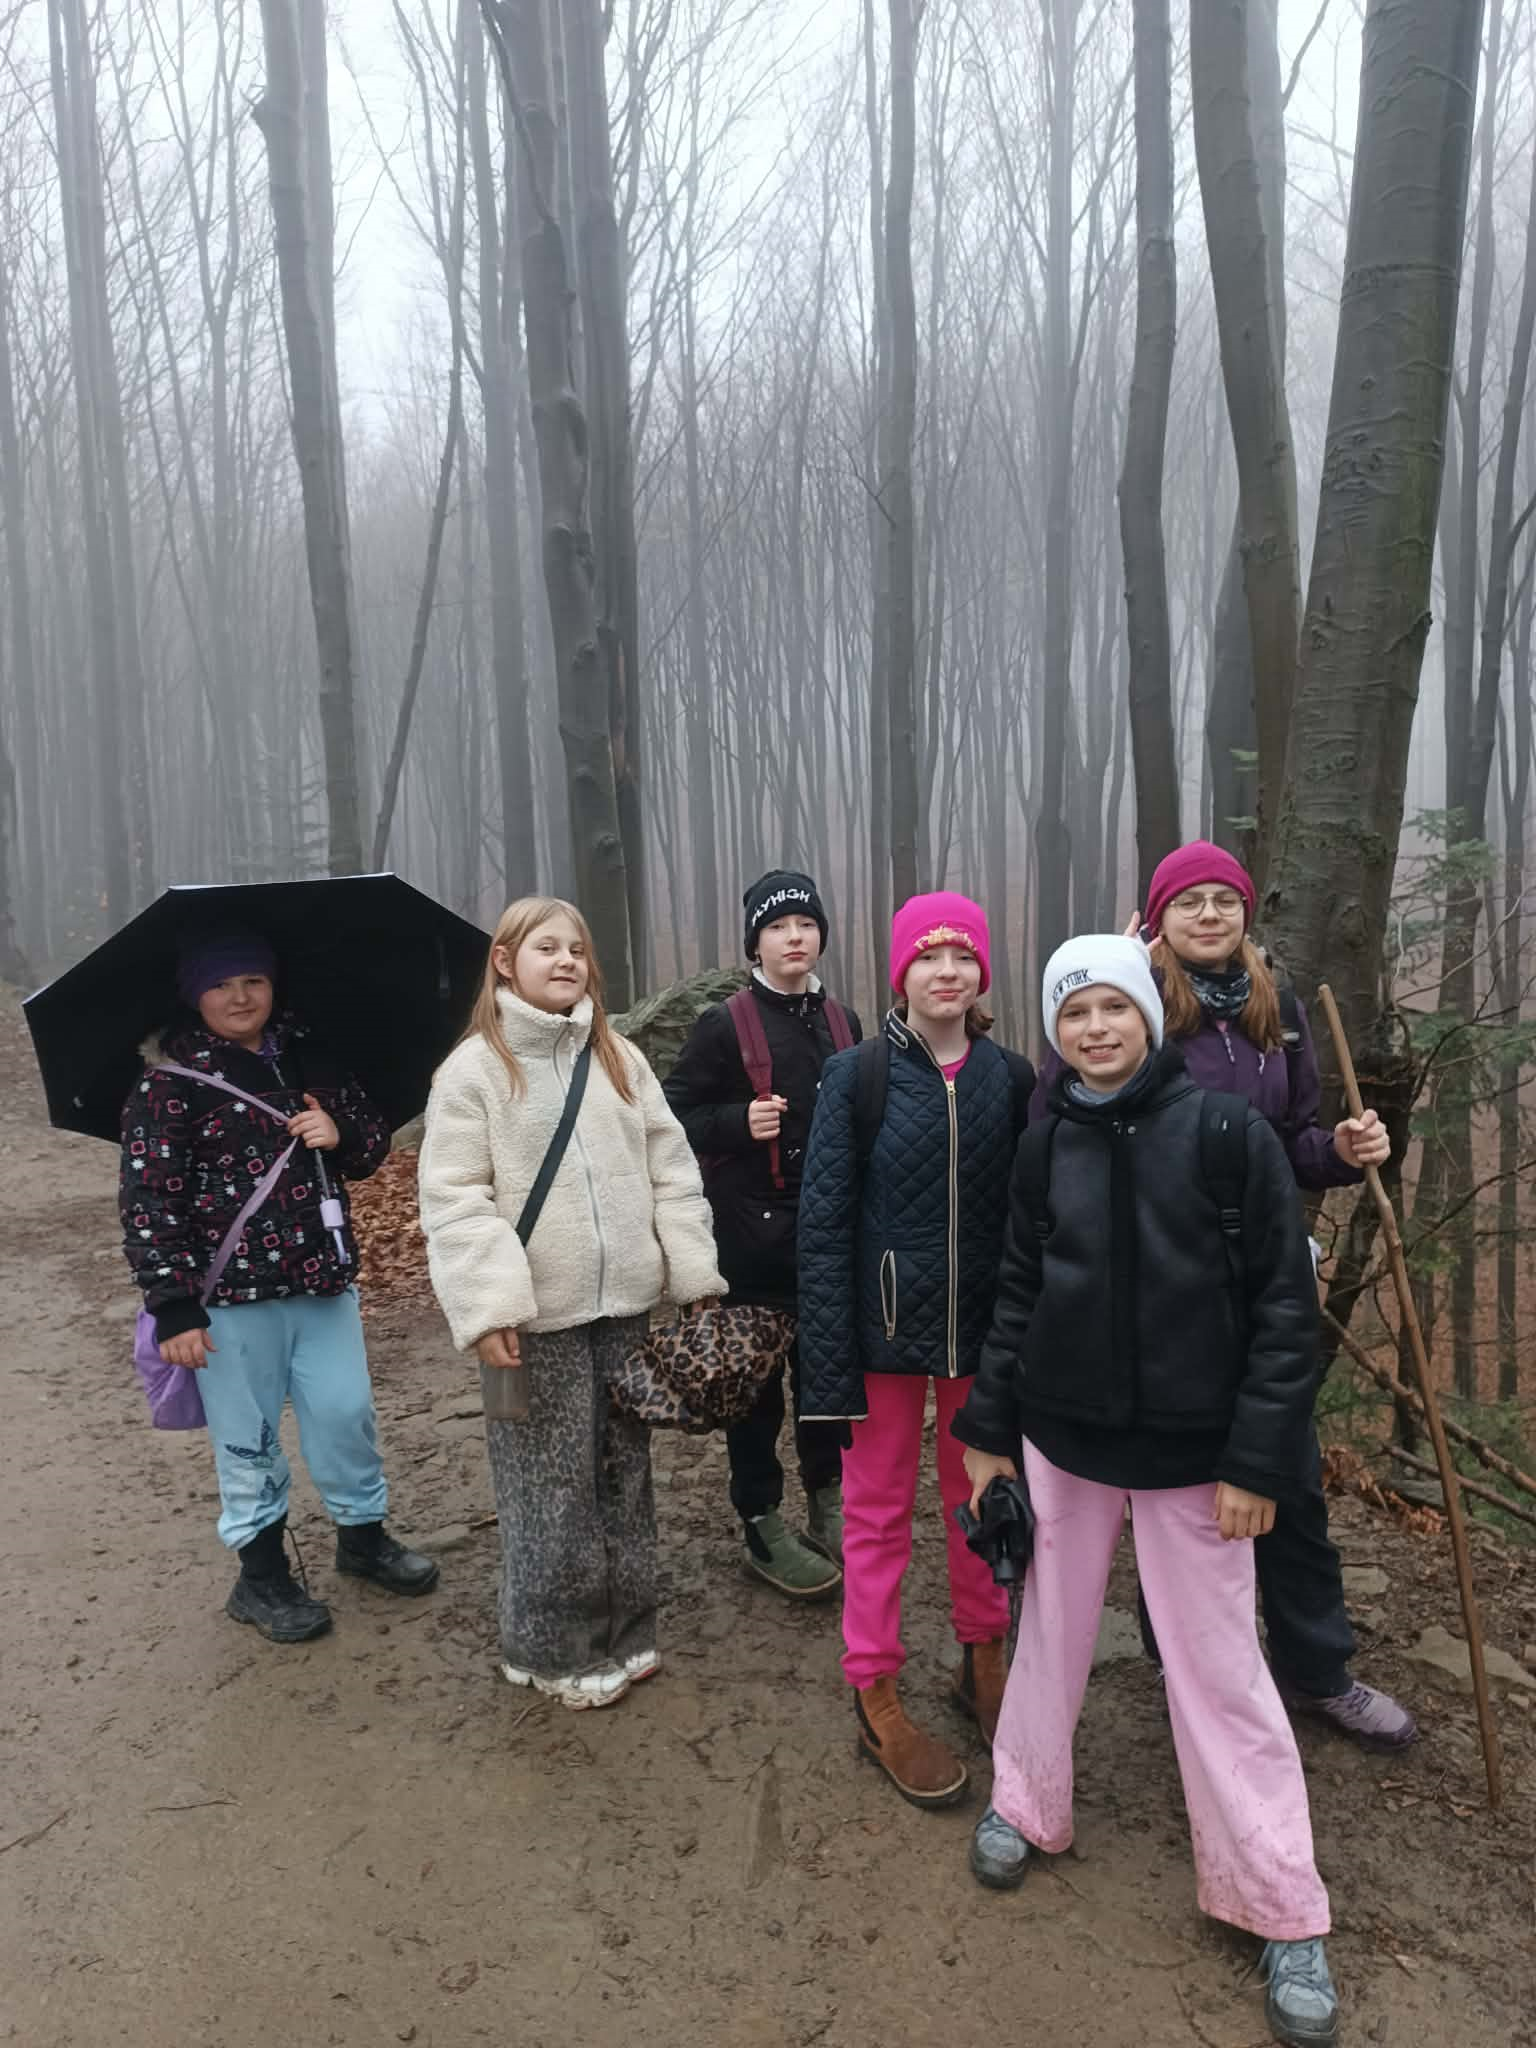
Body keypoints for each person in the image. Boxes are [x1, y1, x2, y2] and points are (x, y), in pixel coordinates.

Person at [956, 935, 1338, 2048]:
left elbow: (1284, 1309)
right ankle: (1026, 1800)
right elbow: (1018, 1291)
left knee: (1220, 1672)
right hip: (1064, 1441)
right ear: (1055, 1031)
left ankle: (1279, 1898)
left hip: (1198, 1458)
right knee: (1049, 1635)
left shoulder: (1226, 1135)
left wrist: (1258, 1460)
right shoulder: (1046, 1142)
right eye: (1073, 1014)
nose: (1095, 1029)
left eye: (1113, 1008)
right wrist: (988, 1433)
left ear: (1149, 1015)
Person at [1036, 839, 1412, 1748]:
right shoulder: (1134, 1005)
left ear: (1247, 913)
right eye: (1188, 902)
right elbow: (1060, 1114)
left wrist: (1341, 1152)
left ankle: (1317, 1670)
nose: (1209, 915)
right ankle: (1188, 1668)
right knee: (1173, 1490)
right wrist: (1111, 975)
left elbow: (1290, 1141)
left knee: (1287, 1479)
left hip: (1263, 1278)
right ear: (1158, 918)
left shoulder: (1277, 1012)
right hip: (1163, 1288)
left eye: (1224, 900)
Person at [418, 897, 725, 1712]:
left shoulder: (619, 1058)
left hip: (625, 1311)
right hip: (533, 1324)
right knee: (550, 1489)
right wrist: (491, 1306)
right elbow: (454, 1197)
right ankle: (550, 1647)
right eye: (545, 947)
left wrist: (693, 1275)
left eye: (577, 950)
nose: (565, 962)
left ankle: (626, 1628)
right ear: (504, 961)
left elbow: (672, 1169)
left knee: (625, 1471)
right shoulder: (474, 1072)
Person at [122, 932, 439, 1645]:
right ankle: (260, 1575)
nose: (240, 997)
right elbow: (148, 1202)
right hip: (227, 1301)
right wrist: (173, 1307)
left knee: (346, 1414)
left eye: (253, 981)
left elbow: (371, 1145)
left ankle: (363, 1539)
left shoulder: (311, 1057)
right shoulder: (169, 1083)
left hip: (322, 1282)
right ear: (194, 995)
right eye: (220, 984)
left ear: (274, 986)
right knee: (250, 1438)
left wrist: (339, 1130)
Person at [797, 892, 1033, 1808]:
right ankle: (876, 1691)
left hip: (981, 1336)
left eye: (962, 956)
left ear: (981, 973)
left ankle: (984, 1661)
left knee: (984, 1502)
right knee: (876, 1515)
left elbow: (1031, 1219)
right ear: (901, 972)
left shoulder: (1010, 1078)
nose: (947, 971)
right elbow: (824, 1228)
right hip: (880, 1339)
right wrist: (828, 1369)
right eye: (928, 956)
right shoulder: (856, 1076)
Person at [664, 869, 861, 1598]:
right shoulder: (724, 1024)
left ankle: (829, 1504)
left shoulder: (845, 1021)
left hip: (830, 1238)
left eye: (806, 924)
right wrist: (736, 1122)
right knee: (753, 1392)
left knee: (826, 1383)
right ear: (756, 943)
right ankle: (761, 1521)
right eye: (778, 927)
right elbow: (671, 1114)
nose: (794, 937)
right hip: (749, 1243)